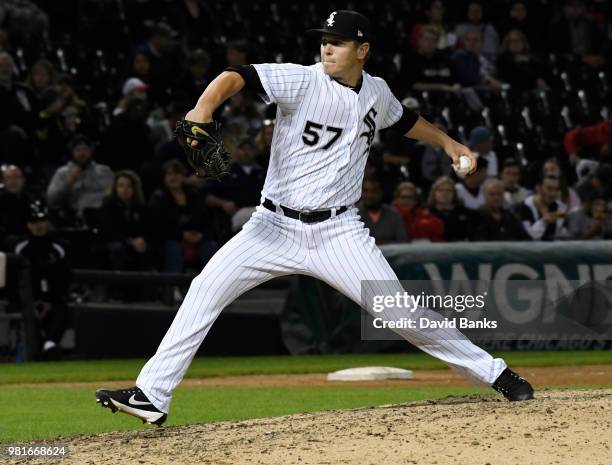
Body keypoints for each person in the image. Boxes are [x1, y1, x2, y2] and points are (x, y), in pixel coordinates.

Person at [96, 10, 533, 426]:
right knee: (204, 289)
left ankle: (494, 373)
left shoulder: (377, 92)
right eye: (324, 41)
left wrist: (450, 144)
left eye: (337, 42)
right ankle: (151, 395)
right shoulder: (303, 79)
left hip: (338, 231)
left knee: (401, 313)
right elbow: (237, 76)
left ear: (363, 50)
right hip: (271, 227)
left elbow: (406, 121)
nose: (327, 48)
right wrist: (202, 109)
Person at [15, 200, 71, 360]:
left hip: (53, 301)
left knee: (61, 309)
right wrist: (30, 303)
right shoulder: (20, 247)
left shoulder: (58, 246)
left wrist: (49, 302)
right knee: (27, 316)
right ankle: (41, 349)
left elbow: (64, 278)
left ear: (47, 222)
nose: (38, 225)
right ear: (28, 224)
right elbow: (16, 281)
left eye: (41, 221)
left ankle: (50, 345)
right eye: (34, 221)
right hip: (27, 302)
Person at [46, 134, 114, 224]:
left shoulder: (104, 171)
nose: (82, 153)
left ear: (91, 151)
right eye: (78, 150)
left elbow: (114, 195)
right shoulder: (62, 172)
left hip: (103, 217)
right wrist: (68, 183)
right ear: (72, 152)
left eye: (85, 149)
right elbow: (51, 201)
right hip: (74, 219)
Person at [97, 171, 151, 271]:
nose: (124, 189)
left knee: (147, 246)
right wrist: (130, 241)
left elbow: (145, 229)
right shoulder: (108, 206)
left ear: (134, 189)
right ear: (115, 188)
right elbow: (108, 232)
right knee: (118, 249)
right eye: (121, 186)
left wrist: (140, 240)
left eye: (129, 186)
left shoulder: (140, 207)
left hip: (134, 243)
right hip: (112, 242)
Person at [518, 175, 570, 240]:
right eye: (549, 188)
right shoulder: (524, 207)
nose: (553, 194)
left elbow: (562, 232)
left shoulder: (561, 208)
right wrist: (544, 222)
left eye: (556, 189)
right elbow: (529, 236)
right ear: (538, 188)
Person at [357, 177, 407, 244]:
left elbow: (403, 242)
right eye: (366, 191)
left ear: (381, 192)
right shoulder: (354, 214)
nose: (369, 195)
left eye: (374, 191)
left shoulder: (393, 214)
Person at [428, 176, 474, 241]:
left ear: (454, 194)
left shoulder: (464, 212)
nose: (445, 193)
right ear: (434, 193)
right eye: (440, 190)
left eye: (449, 190)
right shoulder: (427, 212)